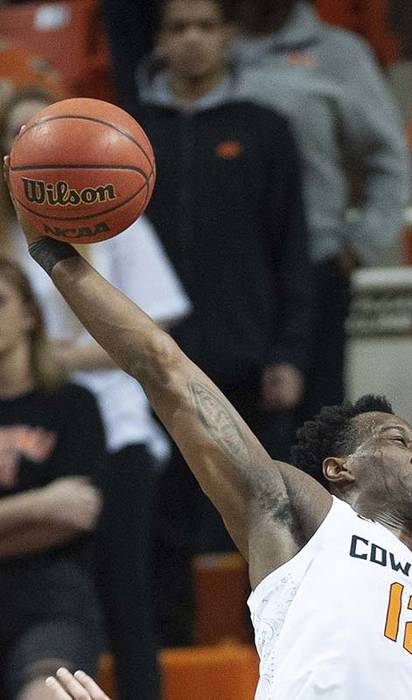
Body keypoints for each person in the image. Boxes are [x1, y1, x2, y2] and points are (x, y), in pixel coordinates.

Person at [3, 63, 412, 700]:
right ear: (337, 468)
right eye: (393, 438)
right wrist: (57, 262)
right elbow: (164, 369)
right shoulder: (303, 520)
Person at [134, 0, 314, 644]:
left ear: (227, 37)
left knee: (263, 512)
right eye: (177, 27)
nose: (191, 40)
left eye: (205, 27)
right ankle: (169, 651)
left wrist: (289, 351)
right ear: (159, 39)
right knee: (160, 522)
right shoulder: (130, 134)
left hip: (244, 359)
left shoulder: (264, 128)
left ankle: (277, 650)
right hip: (146, 364)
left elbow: (292, 246)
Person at [3, 86, 189, 699]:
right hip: (26, 414)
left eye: (38, 128)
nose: (27, 142)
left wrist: (55, 356)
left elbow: (154, 324)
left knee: (125, 599)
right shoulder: (3, 232)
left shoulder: (113, 215)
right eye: (14, 132)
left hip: (113, 424)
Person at [231, 0, 412, 422]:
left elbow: (389, 159)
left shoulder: (339, 53)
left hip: (313, 269)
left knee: (317, 432)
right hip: (224, 282)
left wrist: (362, 244)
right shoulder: (203, 46)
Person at [0, 260, 107, 700]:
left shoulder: (72, 403)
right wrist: (38, 505)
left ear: (29, 313)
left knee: (48, 696)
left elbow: (77, 513)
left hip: (50, 599)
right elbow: (56, 510)